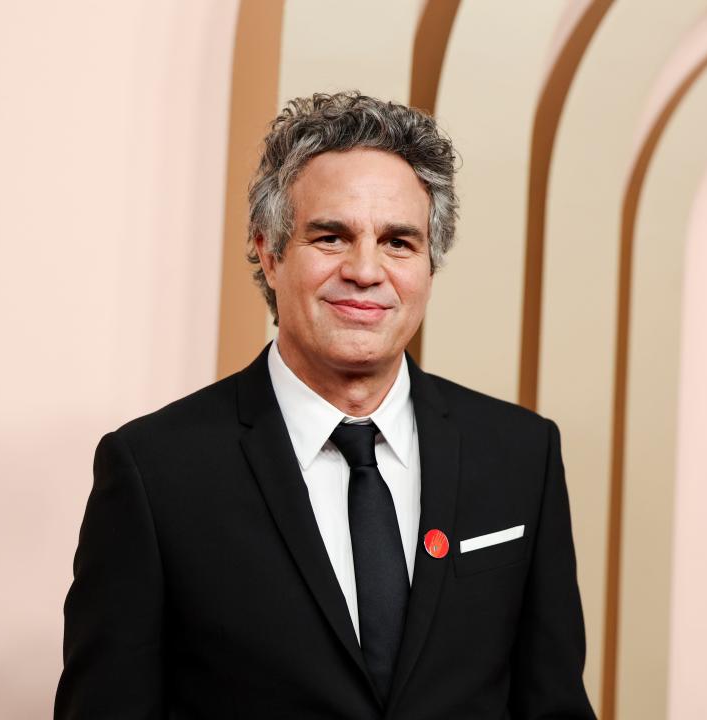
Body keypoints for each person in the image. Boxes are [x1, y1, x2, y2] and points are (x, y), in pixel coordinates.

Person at [55, 91, 596, 719]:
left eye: (398, 242)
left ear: (429, 263)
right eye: (331, 236)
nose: (366, 271)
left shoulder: (520, 455)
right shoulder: (154, 471)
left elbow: (553, 704)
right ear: (268, 250)